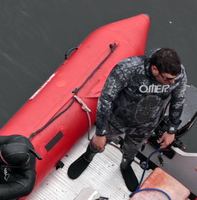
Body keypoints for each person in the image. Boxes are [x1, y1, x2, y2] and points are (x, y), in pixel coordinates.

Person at [67, 47, 187, 192]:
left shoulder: (177, 74)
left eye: (174, 79)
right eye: (167, 79)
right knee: (97, 144)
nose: (171, 83)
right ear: (155, 69)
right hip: (116, 121)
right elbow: (105, 100)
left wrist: (172, 129)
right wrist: (100, 133)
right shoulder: (127, 69)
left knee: (132, 149)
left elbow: (178, 100)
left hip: (146, 125)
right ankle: (87, 157)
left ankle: (126, 165)